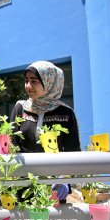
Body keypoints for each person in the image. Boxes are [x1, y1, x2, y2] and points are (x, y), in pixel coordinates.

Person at [10, 61, 81, 202]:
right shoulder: (20, 109)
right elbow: (11, 144)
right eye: (26, 81)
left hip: (54, 186)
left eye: (34, 81)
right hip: (23, 183)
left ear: (50, 82)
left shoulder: (66, 113)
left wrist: (64, 181)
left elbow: (73, 152)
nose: (28, 86)